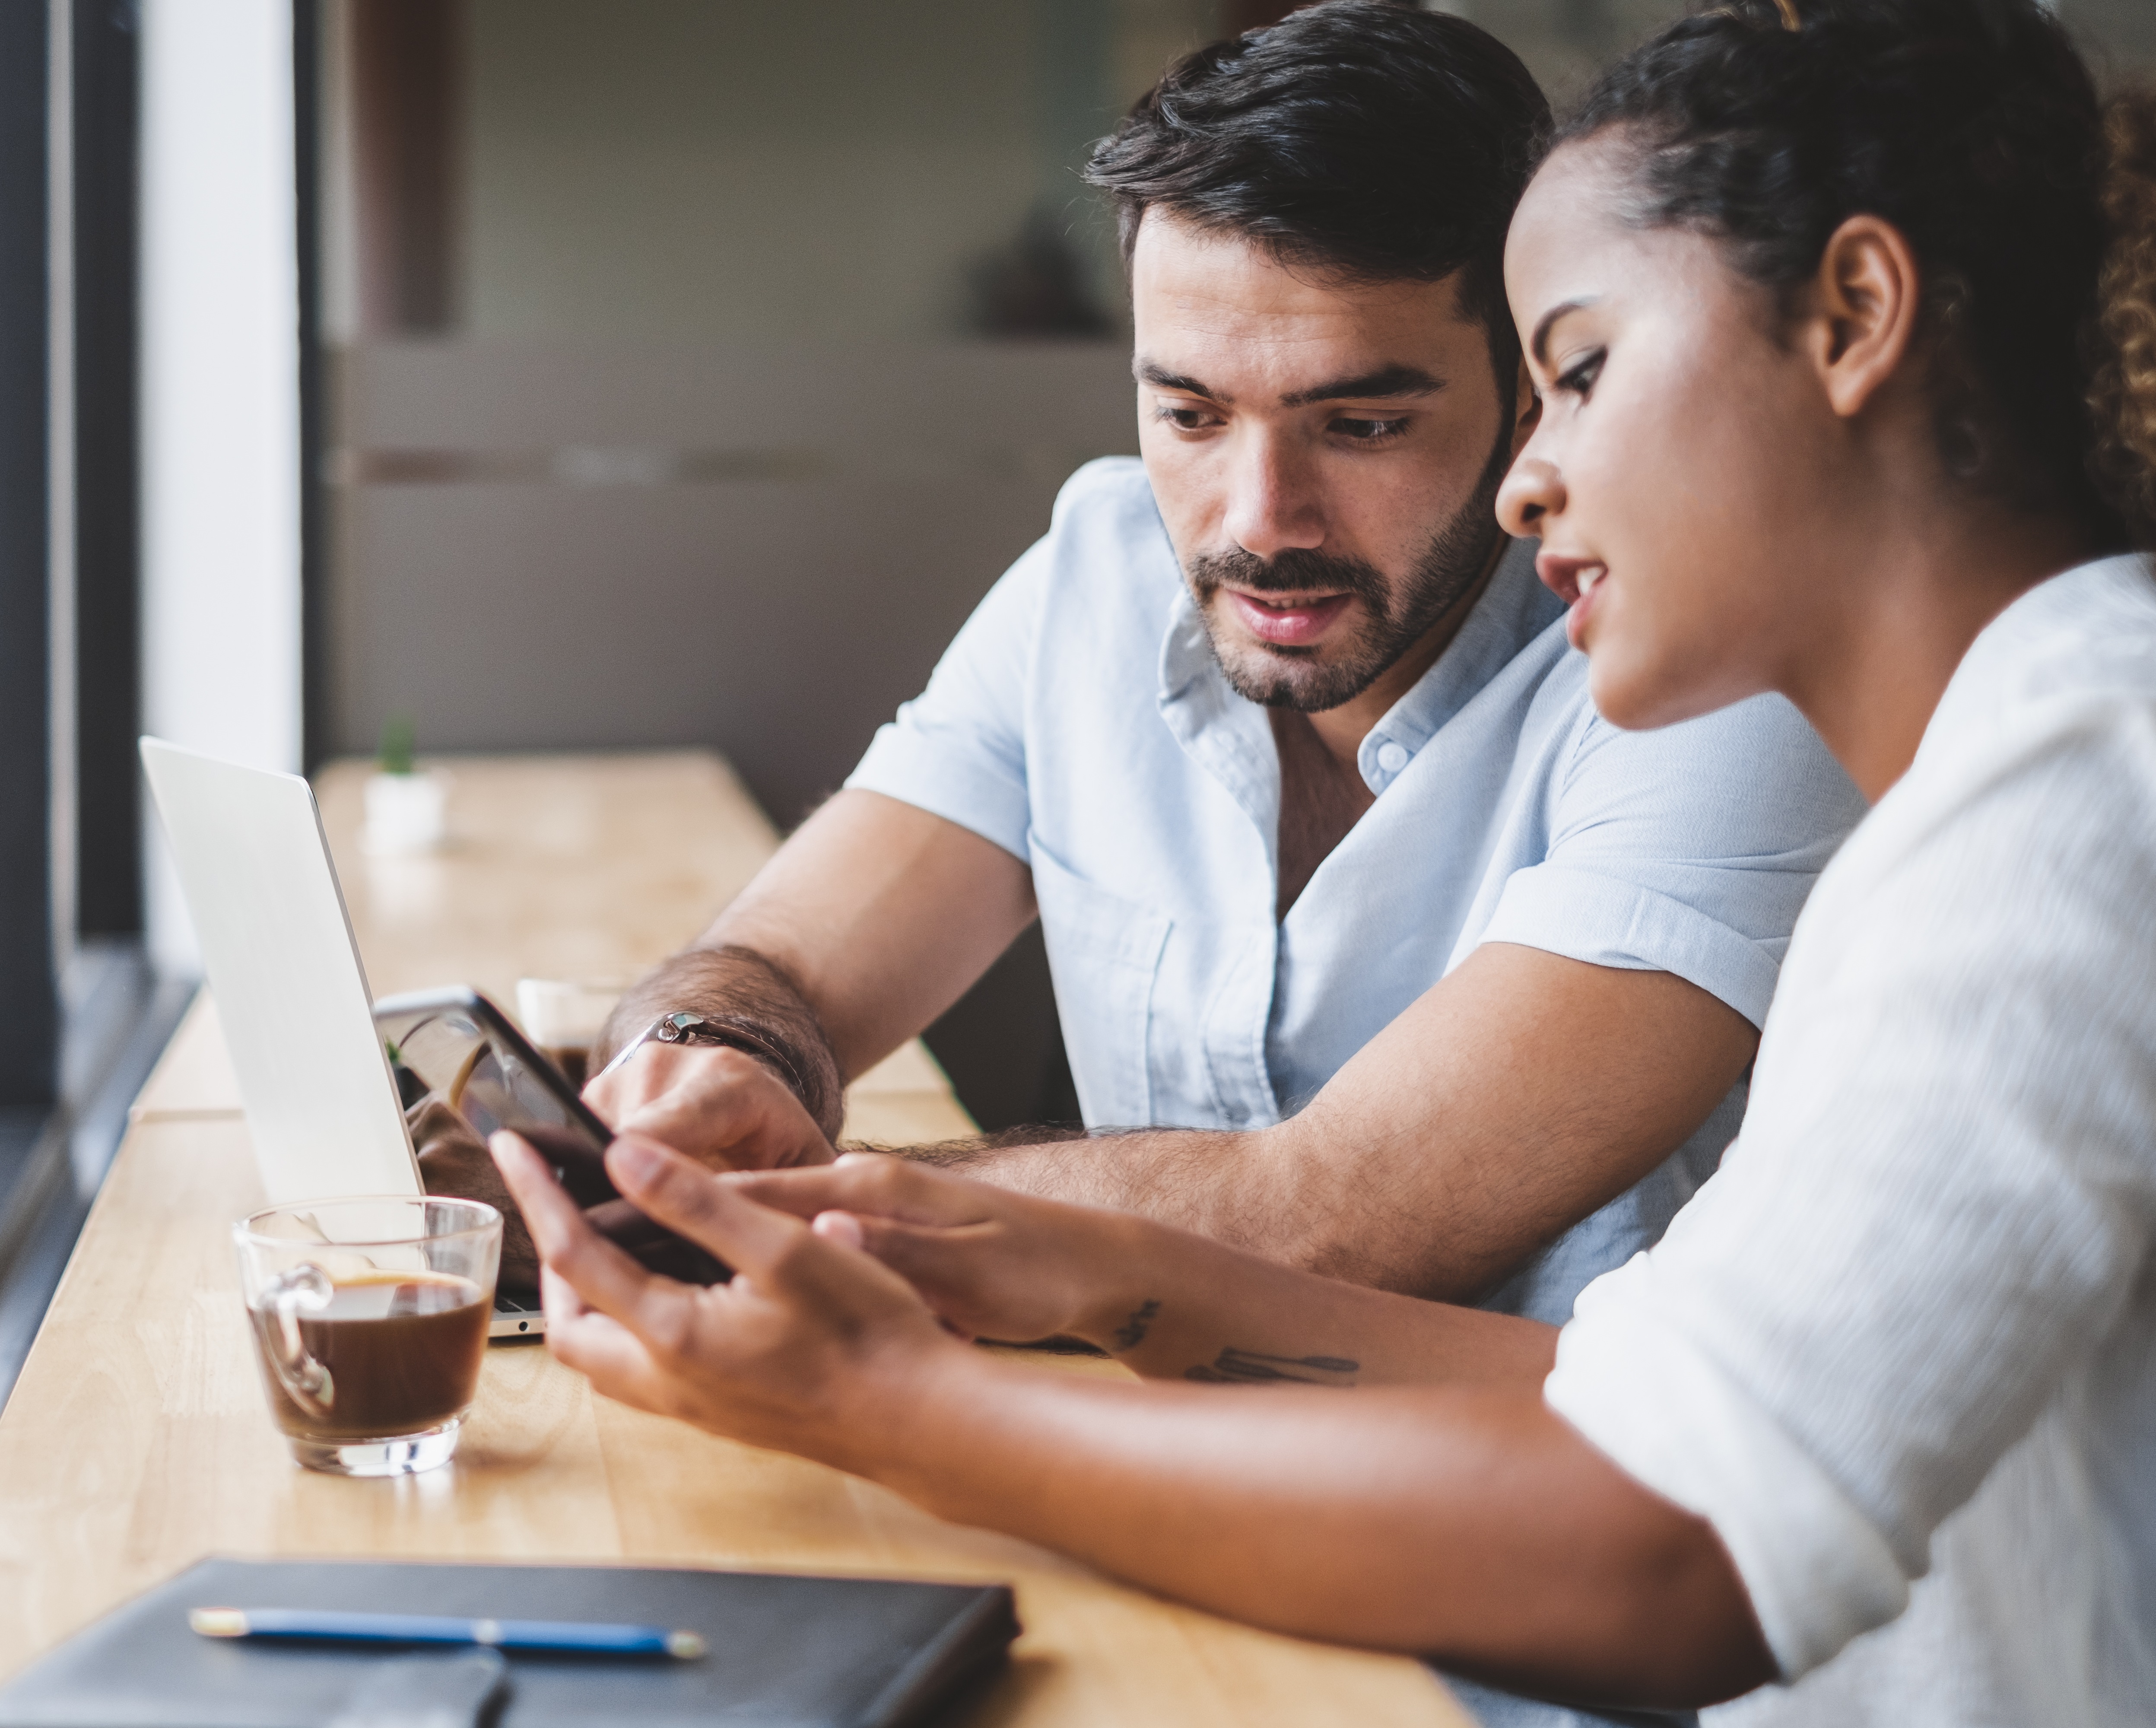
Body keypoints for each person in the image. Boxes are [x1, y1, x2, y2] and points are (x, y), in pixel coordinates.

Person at [494, 1, 2156, 1723]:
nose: (1538, 477)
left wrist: (888, 1401)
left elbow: (1678, 1556)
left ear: (1855, 321)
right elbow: (1631, 1388)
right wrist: (1093, 1268)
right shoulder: (1999, 777)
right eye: (1192, 413)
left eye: (1577, 371)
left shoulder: (2078, 786)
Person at [581, 1, 1861, 1328]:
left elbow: (1333, 1214)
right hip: (1130, 1454)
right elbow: (780, 963)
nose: (1258, 519)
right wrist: (705, 1069)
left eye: (1361, 423)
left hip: (1538, 1513)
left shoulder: (1717, 678)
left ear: (1532, 390)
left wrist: (759, 1202)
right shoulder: (1098, 575)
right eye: (1190, 414)